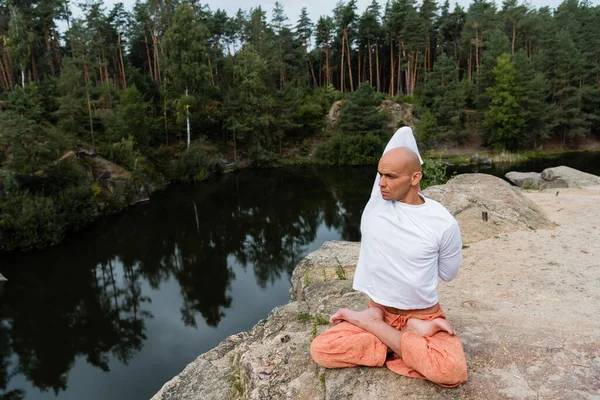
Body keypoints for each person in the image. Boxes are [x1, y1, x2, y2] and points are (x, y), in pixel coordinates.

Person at [310, 126, 468, 388]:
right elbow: (404, 134)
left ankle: (376, 328)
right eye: (380, 174)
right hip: (380, 310)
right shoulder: (376, 205)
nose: (382, 182)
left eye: (391, 176)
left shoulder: (443, 223)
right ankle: (406, 338)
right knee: (322, 349)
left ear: (415, 177)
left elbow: (448, 275)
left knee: (452, 371)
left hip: (424, 315)